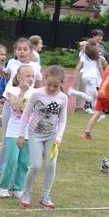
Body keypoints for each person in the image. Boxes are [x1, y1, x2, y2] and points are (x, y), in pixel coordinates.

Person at [17, 65, 68, 209]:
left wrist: (59, 136)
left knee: (51, 166)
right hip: (35, 134)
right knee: (36, 165)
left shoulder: (63, 98)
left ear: (61, 83)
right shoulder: (36, 94)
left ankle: (46, 197)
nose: (51, 88)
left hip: (51, 136)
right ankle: (26, 193)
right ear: (45, 80)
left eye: (56, 86)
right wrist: (21, 135)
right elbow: (26, 114)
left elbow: (62, 120)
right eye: (49, 84)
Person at [0, 37, 42, 173]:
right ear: (15, 51)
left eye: (25, 49)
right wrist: (0, 71)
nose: (22, 52)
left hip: (27, 104)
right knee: (6, 138)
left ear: (31, 51)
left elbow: (38, 83)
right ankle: (1, 170)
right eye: (19, 49)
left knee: (26, 138)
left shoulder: (35, 66)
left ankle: (19, 170)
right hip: (12, 100)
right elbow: (6, 76)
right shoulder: (11, 62)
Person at [0, 64, 34, 199]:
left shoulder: (35, 92)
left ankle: (19, 187)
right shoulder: (13, 90)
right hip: (14, 131)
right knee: (12, 160)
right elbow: (15, 107)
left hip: (29, 132)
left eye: (32, 76)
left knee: (24, 162)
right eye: (28, 76)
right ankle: (3, 186)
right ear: (19, 77)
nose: (31, 79)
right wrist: (23, 92)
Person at [82, 49, 109, 140]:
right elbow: (108, 80)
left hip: (102, 95)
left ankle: (87, 133)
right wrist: (103, 89)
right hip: (107, 95)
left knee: (97, 114)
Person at [69, 40, 104, 114]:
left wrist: (76, 78)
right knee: (91, 97)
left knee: (94, 95)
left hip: (85, 76)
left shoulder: (84, 56)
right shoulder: (97, 56)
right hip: (93, 77)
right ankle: (73, 92)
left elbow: (77, 68)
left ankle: (93, 110)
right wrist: (103, 77)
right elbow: (100, 68)